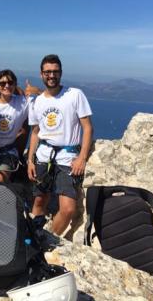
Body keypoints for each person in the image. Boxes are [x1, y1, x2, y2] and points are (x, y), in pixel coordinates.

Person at [27, 54, 93, 236]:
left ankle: (48, 240)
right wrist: (30, 160)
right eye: (47, 72)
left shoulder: (75, 95)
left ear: (61, 73)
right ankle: (33, 236)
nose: (51, 75)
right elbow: (35, 132)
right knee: (39, 201)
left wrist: (82, 158)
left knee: (68, 209)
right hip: (43, 156)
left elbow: (87, 128)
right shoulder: (37, 101)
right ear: (41, 74)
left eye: (55, 72)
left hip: (67, 158)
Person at [0, 70, 30, 182]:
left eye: (10, 82)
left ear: (15, 84)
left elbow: (46, 102)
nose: (7, 86)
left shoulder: (22, 103)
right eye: (2, 83)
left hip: (7, 152)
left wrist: (37, 91)